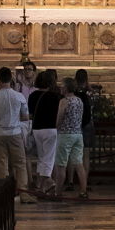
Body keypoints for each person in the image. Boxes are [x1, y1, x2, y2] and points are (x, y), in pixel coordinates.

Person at [0, 64, 29, 194]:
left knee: (2, 164)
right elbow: (25, 117)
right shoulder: (19, 96)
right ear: (11, 78)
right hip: (15, 132)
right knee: (20, 164)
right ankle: (23, 191)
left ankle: (4, 193)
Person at [28, 68, 62, 199]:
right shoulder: (55, 96)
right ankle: (49, 182)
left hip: (37, 128)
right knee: (49, 158)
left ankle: (41, 187)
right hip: (50, 128)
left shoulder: (32, 95)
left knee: (42, 158)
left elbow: (30, 112)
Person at [54, 71, 87, 200]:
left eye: (62, 86)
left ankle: (58, 192)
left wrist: (56, 127)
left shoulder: (64, 101)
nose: (60, 87)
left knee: (61, 164)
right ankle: (83, 191)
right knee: (79, 163)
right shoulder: (79, 100)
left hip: (65, 134)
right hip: (78, 134)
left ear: (66, 88)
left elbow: (59, 117)